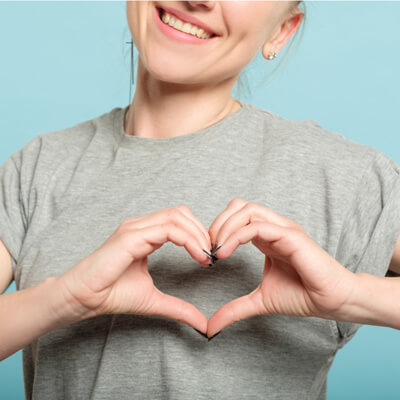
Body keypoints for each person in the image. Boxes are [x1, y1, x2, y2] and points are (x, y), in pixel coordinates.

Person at [1, 1, 400, 399]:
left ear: (280, 30)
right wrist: (65, 298)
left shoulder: (340, 175)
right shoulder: (37, 169)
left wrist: (352, 294)